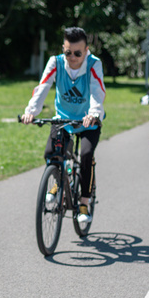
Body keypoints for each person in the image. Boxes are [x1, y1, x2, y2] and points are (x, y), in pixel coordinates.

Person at [20, 27, 105, 225]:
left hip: (88, 121)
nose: (72, 57)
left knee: (85, 156)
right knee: (52, 153)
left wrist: (93, 113)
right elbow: (42, 87)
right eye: (68, 52)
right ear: (63, 49)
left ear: (86, 50)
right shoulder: (56, 62)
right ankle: (58, 182)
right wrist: (31, 112)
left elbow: (97, 91)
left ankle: (84, 202)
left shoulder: (94, 64)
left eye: (78, 53)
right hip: (64, 119)